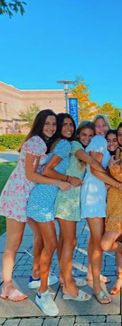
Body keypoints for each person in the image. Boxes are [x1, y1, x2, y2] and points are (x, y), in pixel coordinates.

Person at [0, 109, 65, 302]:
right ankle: (7, 285)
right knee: (14, 243)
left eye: (54, 124)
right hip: (18, 196)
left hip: (26, 196)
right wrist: (59, 182)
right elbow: (30, 174)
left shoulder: (40, 142)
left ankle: (36, 274)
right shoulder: (36, 142)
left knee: (39, 237)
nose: (51, 127)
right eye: (47, 124)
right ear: (39, 124)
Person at [26, 113, 77, 316]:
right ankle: (42, 293)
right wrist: (67, 179)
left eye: (70, 125)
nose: (68, 128)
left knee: (44, 242)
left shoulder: (56, 143)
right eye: (63, 124)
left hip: (42, 199)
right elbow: (47, 170)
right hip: (42, 202)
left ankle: (37, 278)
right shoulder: (63, 144)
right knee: (51, 244)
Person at [80, 115, 122, 304]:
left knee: (94, 242)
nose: (100, 129)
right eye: (97, 125)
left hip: (98, 195)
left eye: (104, 125)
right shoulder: (98, 140)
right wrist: (116, 184)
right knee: (100, 242)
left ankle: (92, 277)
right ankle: (97, 288)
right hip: (94, 195)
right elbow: (94, 170)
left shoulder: (102, 142)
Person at [55, 120, 101, 301]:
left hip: (71, 200)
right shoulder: (75, 146)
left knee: (64, 241)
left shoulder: (80, 148)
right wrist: (105, 169)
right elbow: (90, 161)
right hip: (67, 200)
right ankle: (69, 288)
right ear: (78, 135)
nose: (87, 138)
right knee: (71, 242)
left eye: (90, 136)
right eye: (84, 135)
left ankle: (64, 278)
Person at [101, 121, 122, 295]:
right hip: (112, 201)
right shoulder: (115, 153)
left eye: (121, 136)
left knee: (106, 244)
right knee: (118, 239)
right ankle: (120, 277)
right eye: (112, 139)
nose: (116, 141)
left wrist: (110, 170)